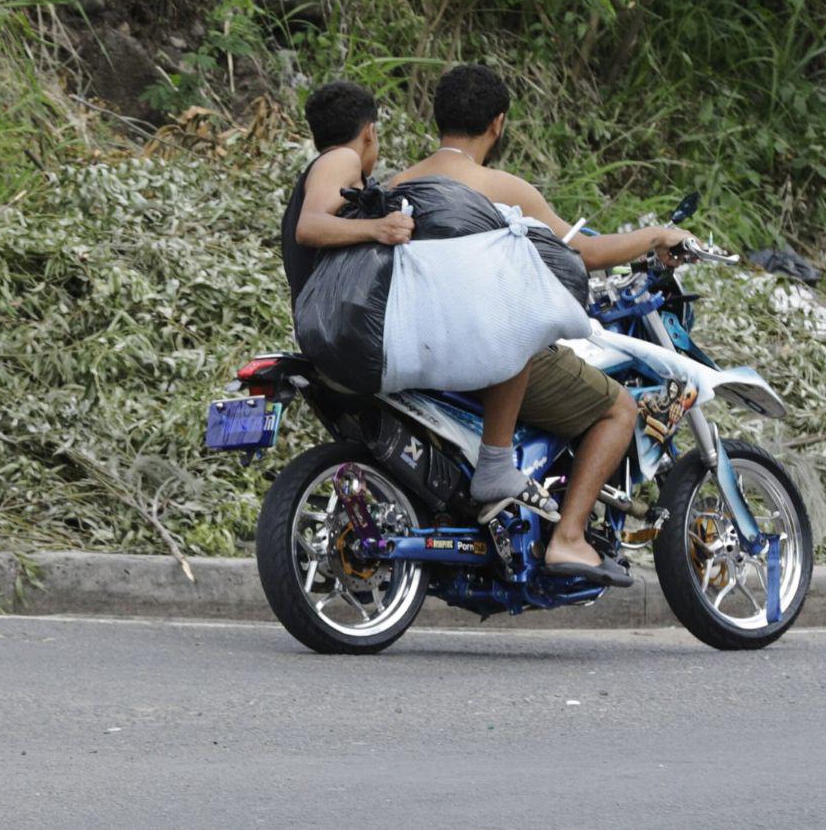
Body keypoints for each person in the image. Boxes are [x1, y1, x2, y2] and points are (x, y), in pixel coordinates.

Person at [390, 64, 698, 586]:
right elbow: (585, 252)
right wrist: (656, 236)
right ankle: (571, 537)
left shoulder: (397, 184)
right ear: (498, 124)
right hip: (482, 354)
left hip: (413, 349)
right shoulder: (501, 187)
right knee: (618, 410)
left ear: (436, 118)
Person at [281, 80, 558, 520]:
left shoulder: (330, 166)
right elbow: (311, 225)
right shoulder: (342, 158)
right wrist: (378, 229)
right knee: (512, 332)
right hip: (349, 330)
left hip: (324, 331)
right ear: (369, 131)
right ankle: (496, 464)